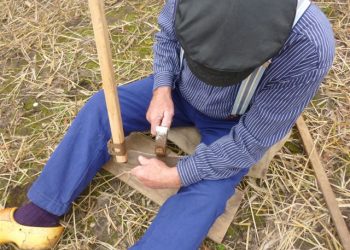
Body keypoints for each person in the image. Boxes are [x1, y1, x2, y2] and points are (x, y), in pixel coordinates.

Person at [0, 0, 335, 249]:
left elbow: (250, 142)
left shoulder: (309, 44)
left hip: (235, 122)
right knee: (104, 106)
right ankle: (38, 220)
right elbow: (167, 38)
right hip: (178, 91)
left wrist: (176, 174)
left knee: (209, 192)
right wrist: (162, 89)